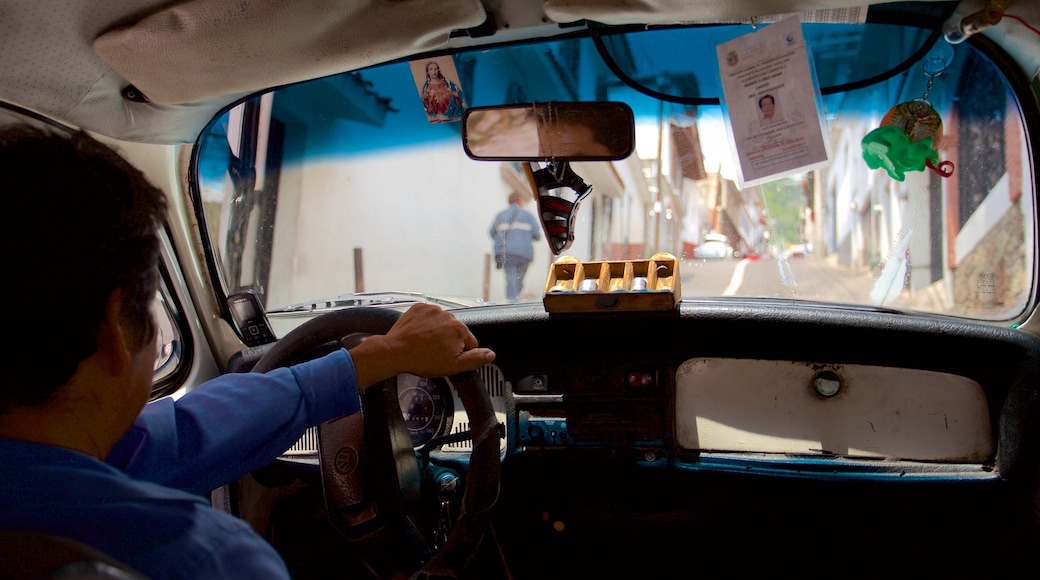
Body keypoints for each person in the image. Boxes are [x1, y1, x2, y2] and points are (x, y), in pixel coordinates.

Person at [0, 123, 495, 579]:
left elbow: (187, 432)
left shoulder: (93, 457)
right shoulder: (210, 560)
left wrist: (381, 356)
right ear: (113, 333)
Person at [489, 191, 541, 302]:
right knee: (518, 280)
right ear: (520, 201)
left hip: (507, 253)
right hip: (524, 254)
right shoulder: (528, 216)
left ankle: (512, 301)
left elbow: (492, 233)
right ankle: (514, 302)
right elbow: (537, 235)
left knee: (511, 278)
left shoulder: (500, 216)